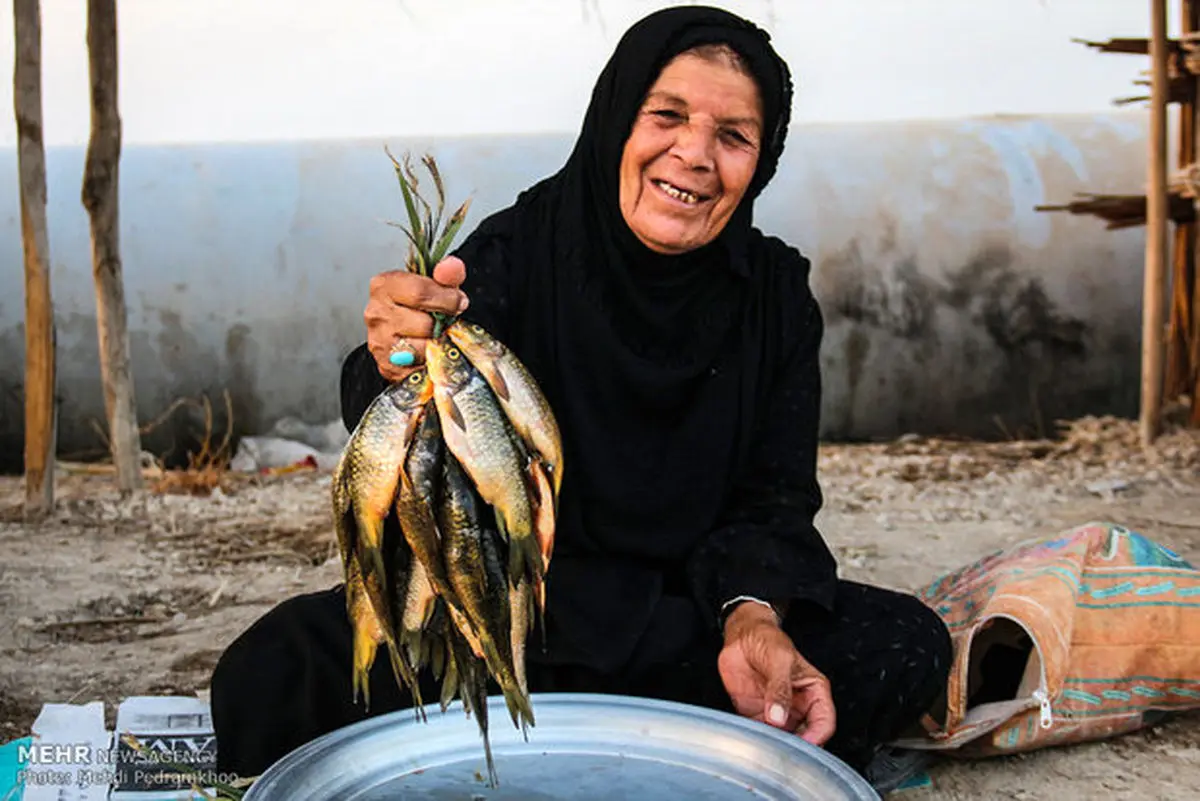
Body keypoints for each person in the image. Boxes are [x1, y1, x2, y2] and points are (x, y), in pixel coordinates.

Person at [210, 5, 951, 794]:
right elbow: (397, 419)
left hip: (684, 617)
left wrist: (752, 619)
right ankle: (651, 732)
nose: (695, 155)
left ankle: (537, 729)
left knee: (904, 644)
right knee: (274, 669)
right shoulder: (516, 253)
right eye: (667, 115)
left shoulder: (775, 298)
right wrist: (396, 355)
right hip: (514, 605)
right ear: (614, 117)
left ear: (761, 161)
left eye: (733, 135)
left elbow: (773, 500)